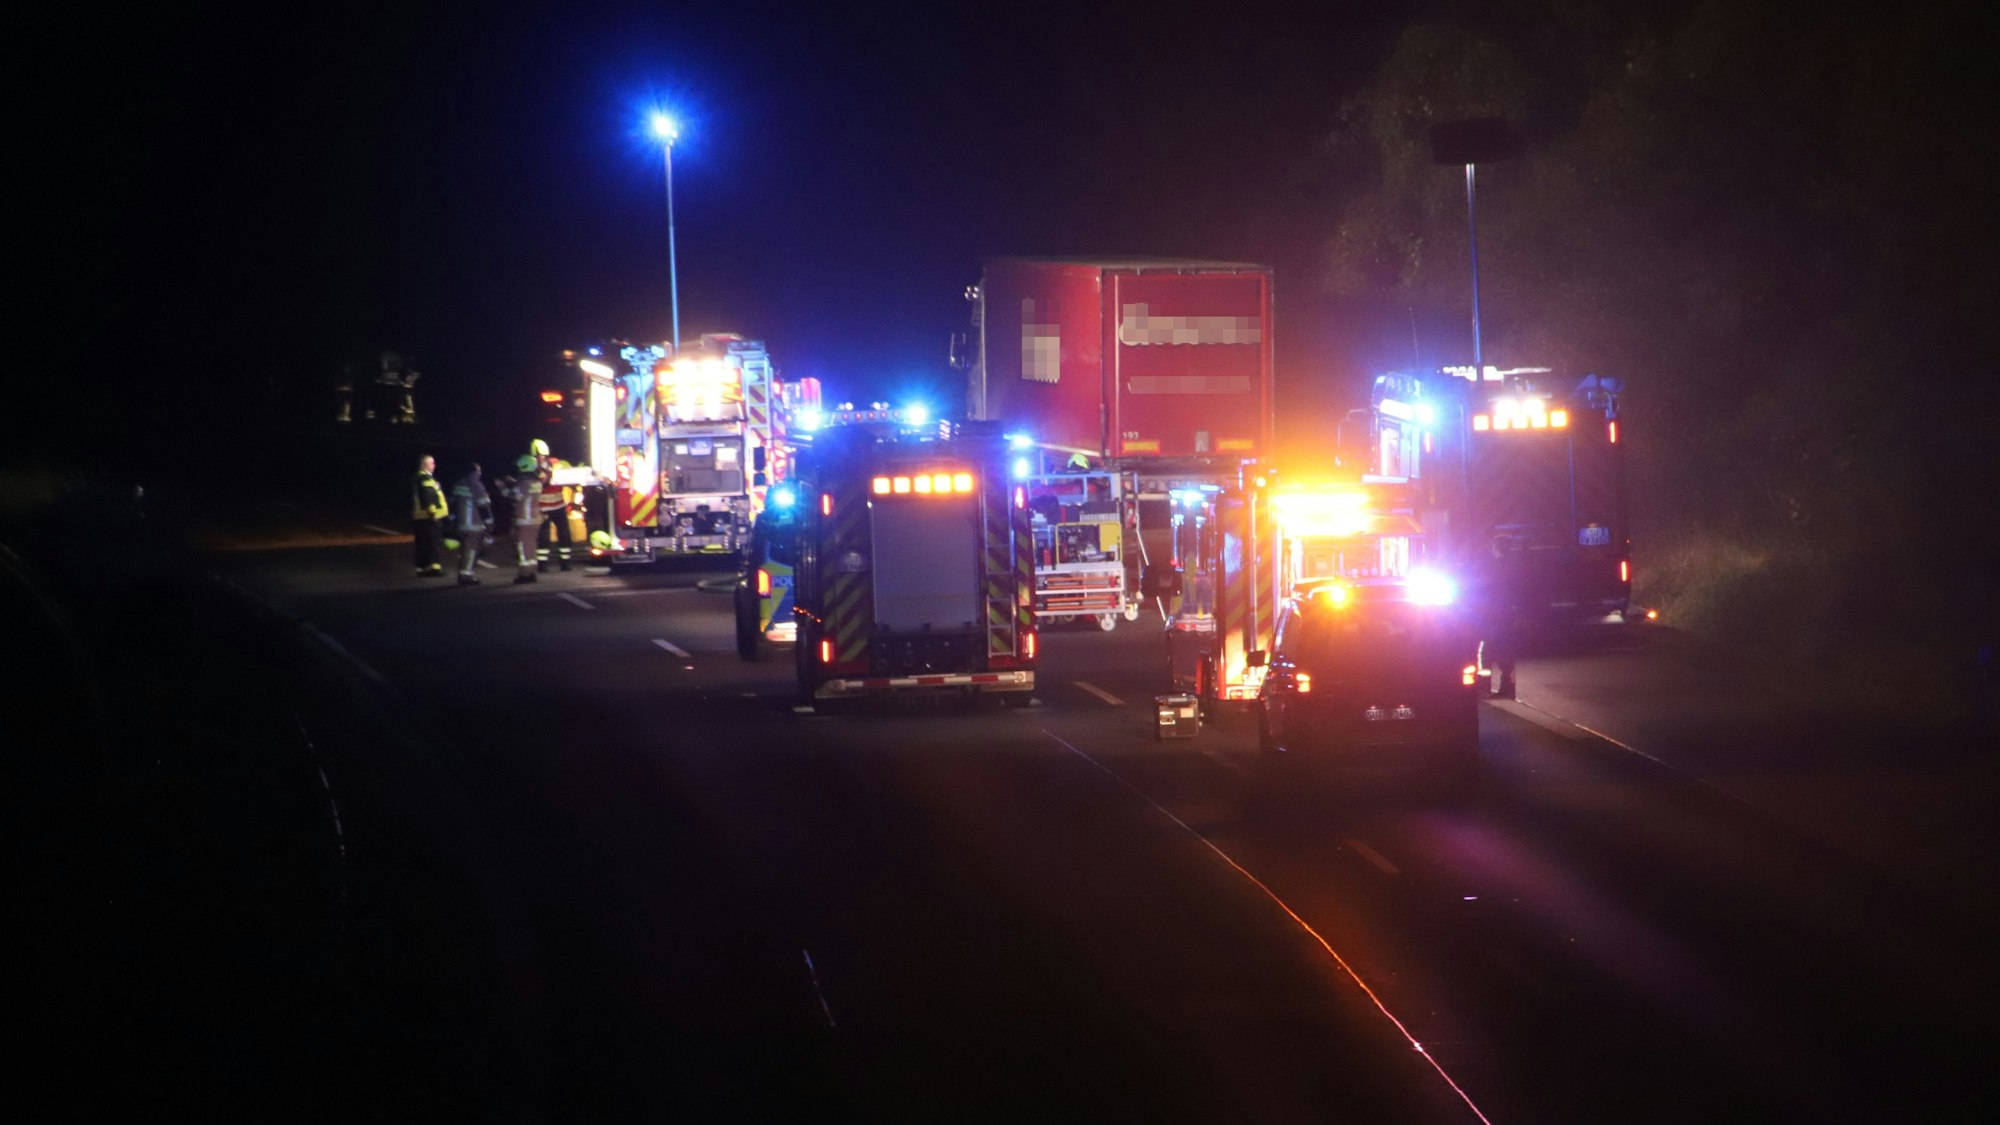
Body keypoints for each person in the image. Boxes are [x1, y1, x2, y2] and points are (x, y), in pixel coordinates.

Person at [530, 438, 574, 572]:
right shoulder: (532, 467)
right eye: (538, 456)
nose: (541, 458)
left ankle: (565, 562)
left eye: (542, 455)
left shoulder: (555, 463)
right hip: (543, 508)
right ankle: (542, 564)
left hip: (558, 505)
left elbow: (566, 475)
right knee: (543, 537)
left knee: (565, 534)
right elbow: (540, 483)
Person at [450, 463, 494, 585]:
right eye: (478, 471)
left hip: (460, 524)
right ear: (474, 472)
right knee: (471, 551)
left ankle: (464, 573)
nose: (479, 474)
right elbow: (483, 505)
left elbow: (452, 503)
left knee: (465, 550)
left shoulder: (458, 484)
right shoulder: (476, 485)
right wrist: (489, 522)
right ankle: (466, 576)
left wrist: (452, 521)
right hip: (473, 524)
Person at [506, 454, 544, 584]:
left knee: (523, 547)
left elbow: (514, 496)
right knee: (531, 546)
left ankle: (525, 574)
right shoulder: (537, 482)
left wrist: (502, 487)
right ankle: (532, 572)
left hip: (524, 519)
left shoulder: (524, 483)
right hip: (535, 519)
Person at [410, 454, 448, 577]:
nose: (434, 465)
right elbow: (427, 496)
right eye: (432, 463)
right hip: (430, 516)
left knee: (422, 543)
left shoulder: (418, 477)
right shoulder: (426, 478)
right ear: (425, 465)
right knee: (433, 543)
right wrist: (433, 513)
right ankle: (434, 567)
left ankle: (421, 568)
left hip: (419, 516)